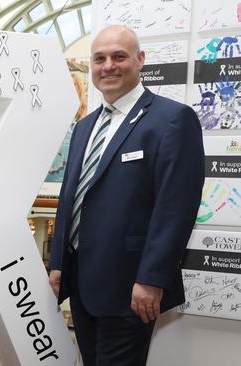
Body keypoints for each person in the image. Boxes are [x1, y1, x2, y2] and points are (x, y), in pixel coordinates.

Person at [48, 25, 204, 365]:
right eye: (99, 58)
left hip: (131, 289)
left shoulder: (172, 120)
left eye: (119, 56)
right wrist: (59, 262)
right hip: (83, 286)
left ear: (140, 60)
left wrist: (151, 278)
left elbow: (175, 209)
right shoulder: (85, 126)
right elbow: (70, 198)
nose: (108, 66)